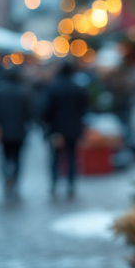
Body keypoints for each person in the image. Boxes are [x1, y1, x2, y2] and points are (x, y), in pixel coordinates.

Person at [42, 62, 88, 197]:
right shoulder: (78, 88)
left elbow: (46, 110)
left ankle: (54, 182)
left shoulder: (53, 88)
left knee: (55, 157)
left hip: (56, 129)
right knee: (72, 156)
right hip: (73, 128)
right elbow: (84, 108)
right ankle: (71, 183)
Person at [0, 68, 31, 196]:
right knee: (17, 158)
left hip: (3, 131)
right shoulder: (22, 92)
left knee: (5, 157)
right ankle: (15, 181)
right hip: (19, 131)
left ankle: (6, 177)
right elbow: (28, 114)